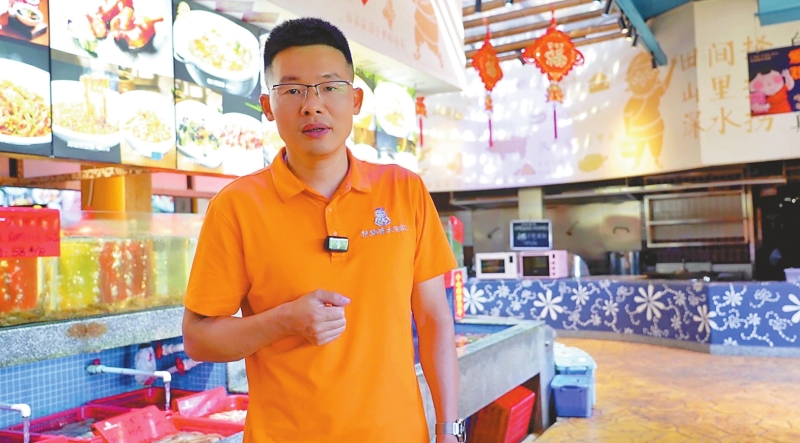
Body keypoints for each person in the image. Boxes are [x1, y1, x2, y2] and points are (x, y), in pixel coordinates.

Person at [182, 17, 463, 443]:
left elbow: (434, 320)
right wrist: (285, 321)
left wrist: (449, 428)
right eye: (293, 90)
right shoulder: (235, 207)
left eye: (330, 87)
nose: (312, 106)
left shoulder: (404, 190)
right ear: (268, 106)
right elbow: (199, 339)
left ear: (355, 99)